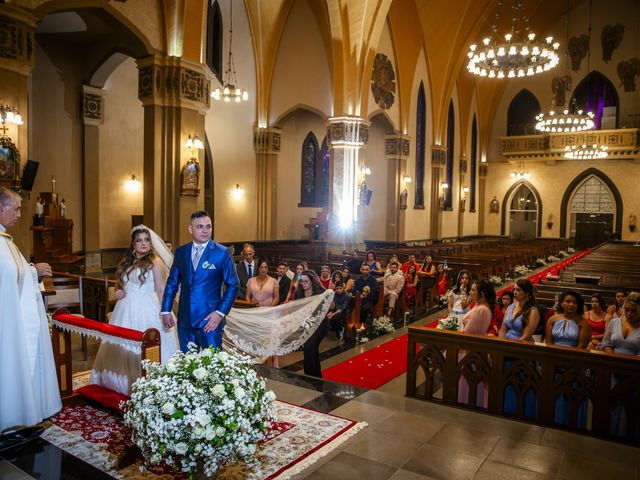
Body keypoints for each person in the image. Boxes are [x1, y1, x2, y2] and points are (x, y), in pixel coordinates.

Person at [90, 226, 179, 395]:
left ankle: (150, 386)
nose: (143, 243)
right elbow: (120, 283)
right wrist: (118, 291)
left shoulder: (156, 263)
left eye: (146, 240)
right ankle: (120, 384)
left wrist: (164, 312)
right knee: (122, 343)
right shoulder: (127, 262)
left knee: (146, 345)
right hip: (124, 309)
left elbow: (161, 290)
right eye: (139, 240)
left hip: (147, 308)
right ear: (133, 244)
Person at [0, 187, 61, 432]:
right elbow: (10, 276)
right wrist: (35, 271)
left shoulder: (6, 240)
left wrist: (32, 270)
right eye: (16, 209)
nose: (19, 214)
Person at [161, 210, 239, 352]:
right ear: (190, 229)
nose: (205, 230)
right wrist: (166, 310)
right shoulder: (181, 252)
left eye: (208, 226)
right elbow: (172, 283)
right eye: (200, 227)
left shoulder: (222, 252)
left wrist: (220, 313)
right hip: (185, 319)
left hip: (210, 319)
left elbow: (233, 285)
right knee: (188, 364)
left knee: (212, 365)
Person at [544, 290, 591, 427]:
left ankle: (571, 422)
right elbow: (548, 342)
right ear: (562, 303)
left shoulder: (583, 323)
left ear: (579, 305)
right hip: (554, 360)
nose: (571, 305)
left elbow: (581, 346)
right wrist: (555, 360)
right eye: (568, 301)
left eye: (575, 302)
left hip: (574, 363)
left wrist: (567, 362)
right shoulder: (553, 319)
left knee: (571, 395)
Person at [499, 279, 540, 418]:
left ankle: (521, 412)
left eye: (518, 290)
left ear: (527, 293)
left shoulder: (533, 311)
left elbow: (526, 335)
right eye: (514, 289)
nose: (514, 292)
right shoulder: (511, 307)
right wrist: (500, 344)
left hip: (522, 350)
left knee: (520, 382)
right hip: (506, 347)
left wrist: (511, 348)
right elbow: (503, 328)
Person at [458, 280, 495, 408]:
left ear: (482, 294)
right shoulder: (478, 307)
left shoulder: (482, 311)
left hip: (472, 351)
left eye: (473, 290)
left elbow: (469, 332)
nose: (470, 292)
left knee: (471, 380)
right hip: (469, 350)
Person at [295, 270, 329, 377]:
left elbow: (330, 307)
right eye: (301, 281)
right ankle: (316, 376)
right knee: (312, 350)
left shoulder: (320, 292)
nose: (303, 284)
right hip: (307, 325)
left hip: (320, 325)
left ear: (312, 281)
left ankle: (309, 375)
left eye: (306, 281)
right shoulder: (299, 292)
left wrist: (330, 300)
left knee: (308, 348)